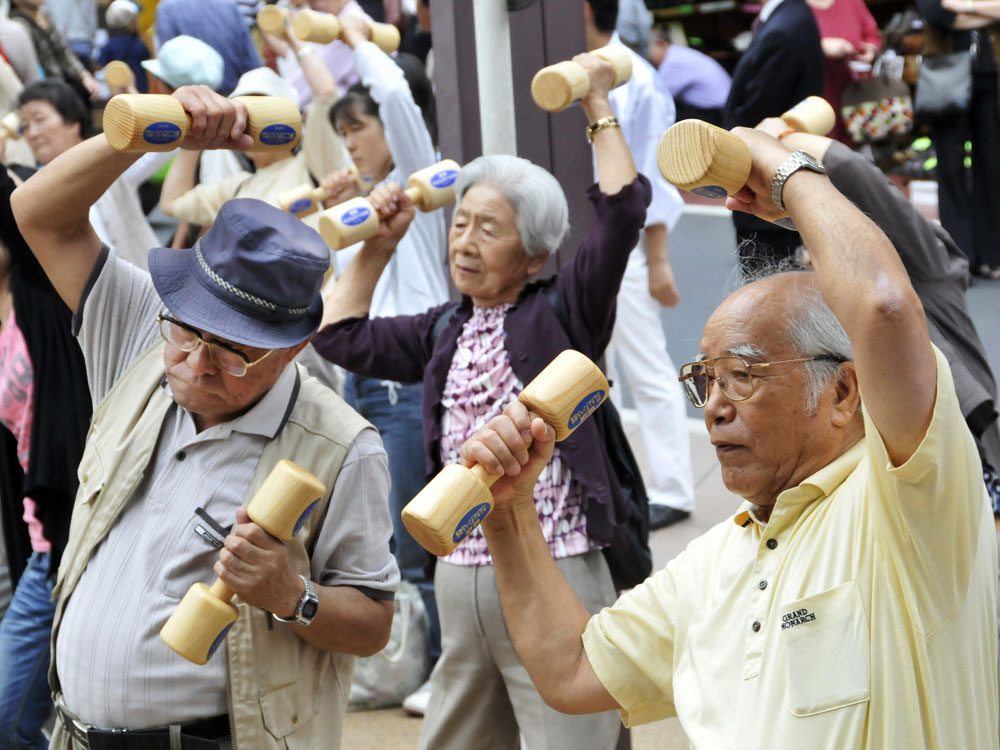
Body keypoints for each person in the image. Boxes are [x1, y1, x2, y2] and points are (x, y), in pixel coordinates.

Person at [459, 123, 999, 749]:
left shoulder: (910, 501)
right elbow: (572, 672)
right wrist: (507, 511)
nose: (714, 405)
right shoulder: (715, 563)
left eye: (743, 375)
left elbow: (881, 305)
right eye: (704, 380)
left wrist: (786, 170)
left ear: (844, 393)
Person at [10, 86, 398, 749]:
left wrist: (289, 592)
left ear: (292, 348)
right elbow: (37, 213)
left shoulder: (338, 445)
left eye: (231, 351)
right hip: (74, 733)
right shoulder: (139, 333)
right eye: (187, 332)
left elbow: (371, 620)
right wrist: (160, 132)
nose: (194, 363)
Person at [313, 51, 648, 750]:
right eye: (460, 224)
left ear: (533, 254)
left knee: (573, 737)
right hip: (461, 575)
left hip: (557, 563)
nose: (464, 242)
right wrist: (378, 246)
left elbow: (620, 216)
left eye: (488, 229)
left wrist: (595, 102)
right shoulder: (445, 326)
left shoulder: (566, 312)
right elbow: (339, 335)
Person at [768, 122, 1000, 507]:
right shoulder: (819, 316)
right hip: (881, 497)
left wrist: (777, 143)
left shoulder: (928, 280)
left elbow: (848, 168)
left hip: (964, 476)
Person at [324, 15, 451, 713]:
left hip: (405, 385)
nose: (351, 141)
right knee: (382, 534)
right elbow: (346, 294)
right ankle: (410, 665)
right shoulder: (367, 202)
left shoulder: (423, 185)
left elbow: (397, 96)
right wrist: (340, 208)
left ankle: (440, 669)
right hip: (363, 382)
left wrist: (354, 34)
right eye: (344, 132)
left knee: (416, 535)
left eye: (359, 129)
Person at [584, 0, 694, 528]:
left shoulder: (637, 79)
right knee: (593, 371)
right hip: (587, 243)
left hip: (623, 246)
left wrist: (657, 259)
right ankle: (617, 482)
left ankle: (672, 488)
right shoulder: (578, 67)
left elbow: (655, 177)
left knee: (644, 366)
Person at [0, 142, 91, 750]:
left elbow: (46, 206)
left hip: (82, 527)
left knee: (9, 715)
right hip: (41, 538)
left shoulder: (45, 290)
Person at [18, 79, 163, 269]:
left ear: (73, 122)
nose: (33, 133)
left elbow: (162, 142)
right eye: (25, 126)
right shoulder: (33, 189)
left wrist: (142, 109)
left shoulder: (112, 162)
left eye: (39, 120)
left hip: (149, 286)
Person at [724, 0, 824, 273]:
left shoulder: (784, 27)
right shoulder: (791, 15)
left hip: (766, 187)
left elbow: (756, 118)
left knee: (771, 291)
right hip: (777, 186)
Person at [916, 0, 1000, 280]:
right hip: (947, 79)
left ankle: (989, 256)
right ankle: (960, 256)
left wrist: (964, 6)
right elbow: (940, 16)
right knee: (951, 168)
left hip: (988, 77)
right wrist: (984, 11)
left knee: (991, 166)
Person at [806, 0, 881, 146]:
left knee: (855, 155)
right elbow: (785, 45)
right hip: (817, 100)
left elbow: (873, 35)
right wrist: (820, 46)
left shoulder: (852, 2)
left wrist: (871, 49)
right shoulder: (793, 7)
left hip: (855, 100)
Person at [154, 0, 261, 95]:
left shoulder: (167, 8)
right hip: (236, 96)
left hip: (191, 102)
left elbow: (168, 61)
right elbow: (252, 62)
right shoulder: (229, 5)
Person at [8, 0, 99, 104]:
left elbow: (62, 51)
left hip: (60, 87)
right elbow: (31, 69)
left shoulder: (45, 17)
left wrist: (83, 75)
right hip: (42, 94)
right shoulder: (18, 26)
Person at [648, 30, 731, 126]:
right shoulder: (679, 53)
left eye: (647, 48)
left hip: (716, 114)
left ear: (661, 44)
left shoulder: (672, 62)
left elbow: (655, 97)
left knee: (660, 114)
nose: (647, 55)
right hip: (721, 109)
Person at [97, 0, 151, 94]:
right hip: (140, 91)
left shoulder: (109, 44)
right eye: (134, 19)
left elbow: (99, 64)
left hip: (118, 93)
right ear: (129, 22)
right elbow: (148, 58)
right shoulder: (138, 43)